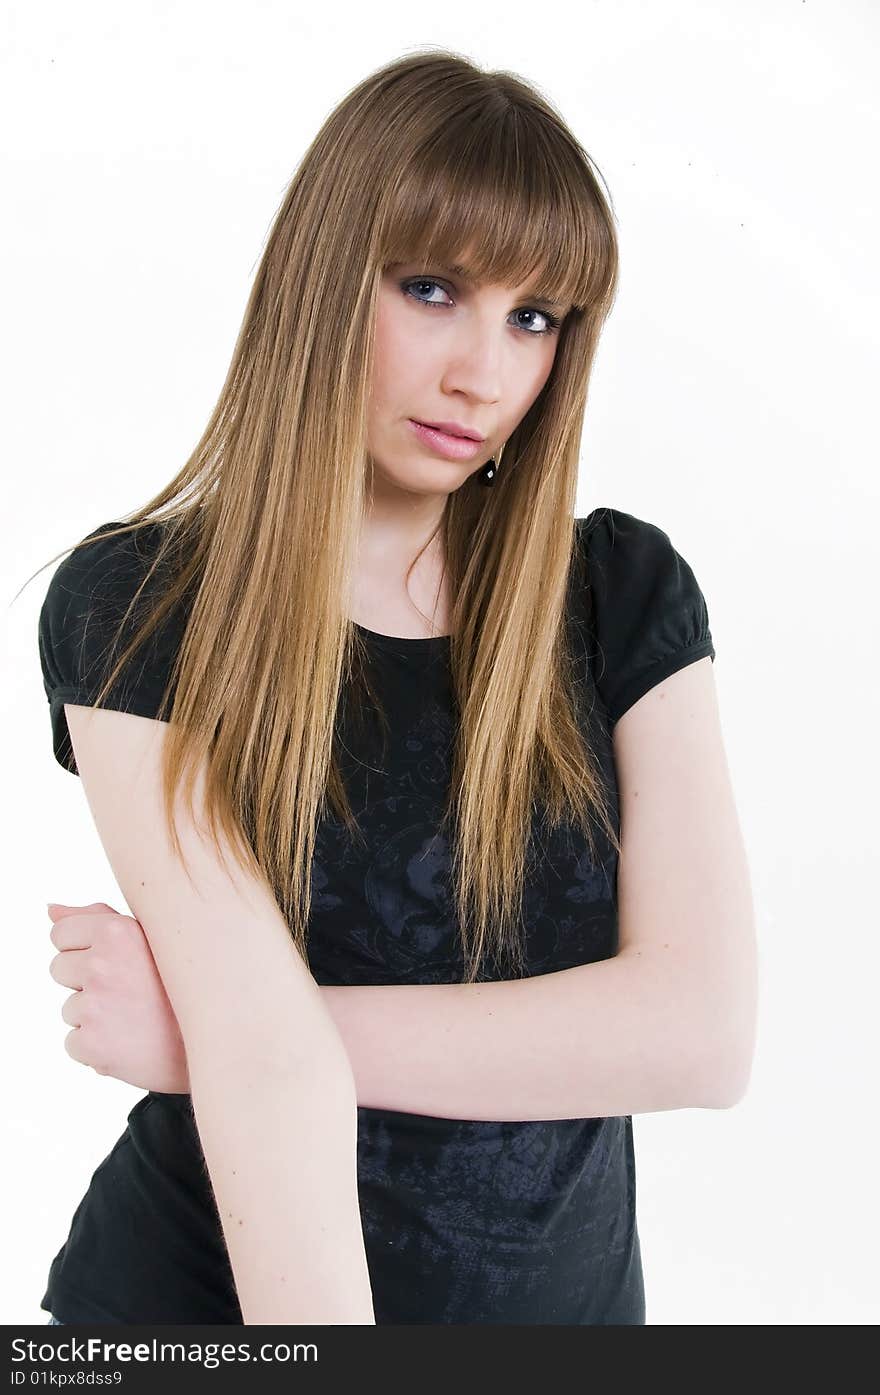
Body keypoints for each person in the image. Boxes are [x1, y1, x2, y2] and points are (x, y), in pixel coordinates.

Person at [31, 48, 757, 1325]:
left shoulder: (618, 595)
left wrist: (211, 1038)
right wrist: (242, 1053)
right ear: (324, 282)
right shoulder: (141, 606)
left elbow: (697, 1032)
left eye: (534, 319)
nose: (486, 372)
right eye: (433, 289)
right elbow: (263, 1085)